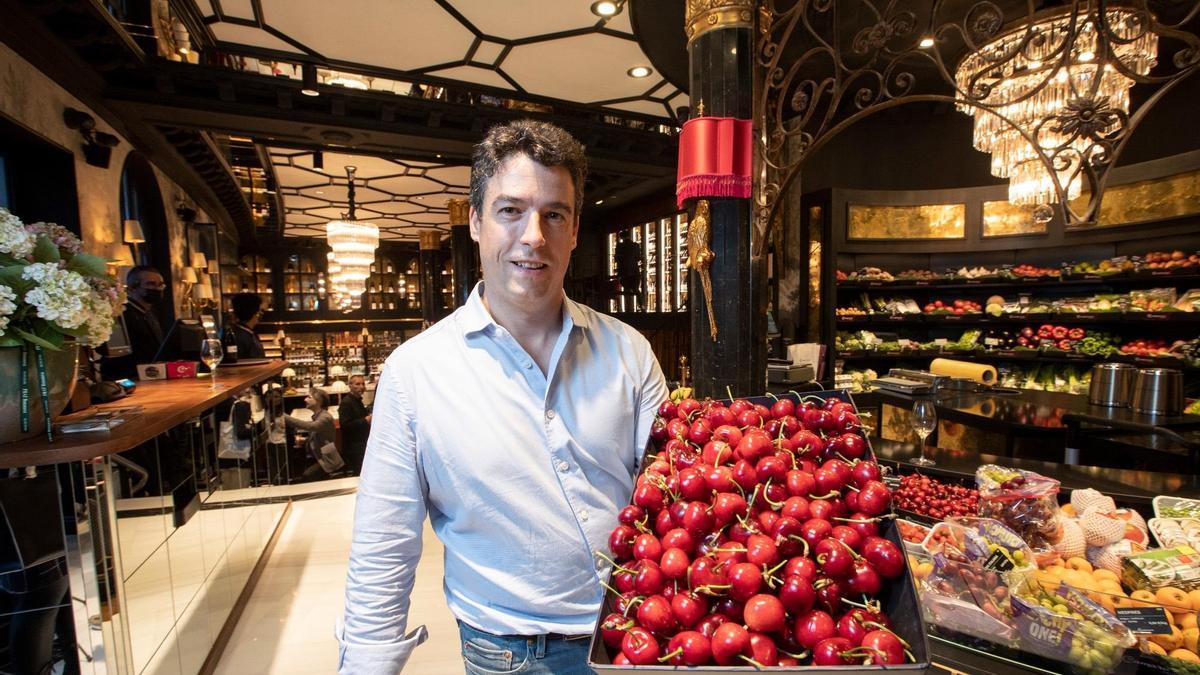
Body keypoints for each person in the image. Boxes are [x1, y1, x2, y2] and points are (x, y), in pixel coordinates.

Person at [339, 119, 667, 674]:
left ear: (573, 228)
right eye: (510, 210)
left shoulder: (629, 351)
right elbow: (384, 545)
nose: (534, 235)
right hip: (512, 654)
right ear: (475, 222)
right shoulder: (415, 373)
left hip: (636, 637)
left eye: (553, 214)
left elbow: (672, 500)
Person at [102, 266, 166, 380]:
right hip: (129, 377)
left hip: (152, 376)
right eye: (151, 284)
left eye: (160, 285)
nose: (157, 289)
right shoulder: (121, 313)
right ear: (133, 287)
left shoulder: (150, 313)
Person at [284, 388, 337, 482]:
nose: (305, 399)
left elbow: (310, 426)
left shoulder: (325, 417)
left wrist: (285, 417)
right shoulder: (318, 416)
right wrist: (304, 440)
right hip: (318, 456)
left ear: (318, 401)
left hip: (326, 458)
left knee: (308, 476)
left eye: (309, 397)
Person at [337, 374, 372, 475]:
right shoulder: (346, 403)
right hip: (354, 448)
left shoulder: (357, 400)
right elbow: (345, 425)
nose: (361, 386)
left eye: (363, 384)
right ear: (350, 386)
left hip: (360, 445)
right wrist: (365, 420)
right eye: (358, 384)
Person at [229, 293, 267, 359]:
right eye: (260, 310)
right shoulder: (240, 336)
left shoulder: (246, 333)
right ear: (255, 312)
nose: (261, 313)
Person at [614, 231, 642, 311]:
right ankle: (642, 305)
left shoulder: (619, 246)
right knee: (636, 290)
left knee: (626, 290)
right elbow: (638, 258)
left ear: (621, 237)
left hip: (623, 272)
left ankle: (627, 309)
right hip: (634, 271)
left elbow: (617, 259)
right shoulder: (636, 245)